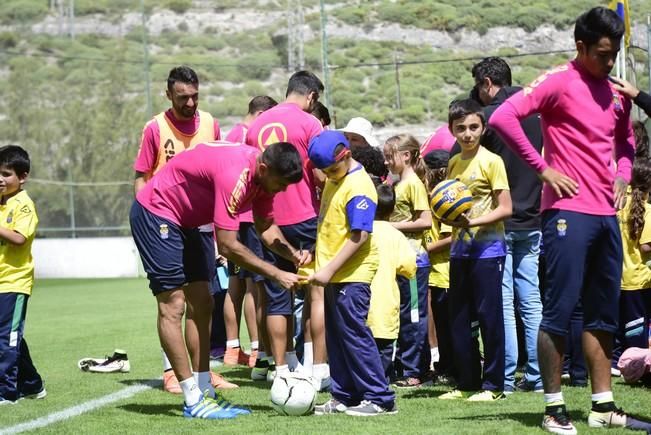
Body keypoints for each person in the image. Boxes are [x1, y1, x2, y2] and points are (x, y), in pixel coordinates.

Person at [490, 6, 651, 432]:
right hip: (566, 213)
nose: (609, 61)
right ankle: (553, 407)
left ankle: (602, 407)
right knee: (558, 313)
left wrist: (621, 175)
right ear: (581, 46)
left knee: (603, 316)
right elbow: (501, 117)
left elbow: (626, 143)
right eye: (602, 53)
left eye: (614, 52)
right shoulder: (559, 80)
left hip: (605, 215)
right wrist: (542, 169)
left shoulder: (617, 92)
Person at [130, 140, 306, 419]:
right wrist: (275, 273)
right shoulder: (236, 175)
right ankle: (191, 398)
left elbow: (265, 227)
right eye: (281, 184)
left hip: (188, 222)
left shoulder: (262, 181)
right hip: (157, 212)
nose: (282, 190)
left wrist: (294, 255)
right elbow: (226, 246)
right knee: (173, 305)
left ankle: (205, 390)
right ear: (264, 168)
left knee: (203, 302)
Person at [132, 66, 233, 393]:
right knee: (172, 300)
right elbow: (141, 178)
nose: (190, 103)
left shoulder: (210, 124)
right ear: (168, 95)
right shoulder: (155, 128)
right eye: (182, 97)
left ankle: (204, 373)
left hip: (200, 224)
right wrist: (149, 224)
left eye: (194, 96)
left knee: (204, 301)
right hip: (164, 220)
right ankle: (172, 372)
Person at [245, 71, 329, 389]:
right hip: (304, 215)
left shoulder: (256, 125)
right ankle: (316, 366)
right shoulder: (310, 124)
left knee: (277, 295)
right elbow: (320, 175)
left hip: (266, 220)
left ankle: (281, 367)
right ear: (311, 97)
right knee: (315, 292)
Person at [469, 56, 545, 394]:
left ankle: (506, 375)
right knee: (532, 300)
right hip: (535, 216)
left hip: (499, 221)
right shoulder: (537, 113)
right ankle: (540, 375)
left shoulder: (489, 119)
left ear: (487, 83)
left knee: (504, 303)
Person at [307, 130, 396, 416]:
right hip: (333, 273)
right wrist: (314, 255)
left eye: (332, 169)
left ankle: (380, 399)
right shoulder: (337, 179)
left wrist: (329, 268)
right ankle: (344, 395)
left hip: (353, 274)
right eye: (324, 171)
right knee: (337, 337)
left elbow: (359, 236)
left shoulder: (358, 185)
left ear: (346, 155)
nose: (329, 175)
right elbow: (331, 226)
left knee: (355, 335)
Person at [438, 99, 511, 403]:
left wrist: (475, 221)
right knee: (459, 317)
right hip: (459, 250)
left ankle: (494, 386)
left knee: (489, 316)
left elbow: (507, 208)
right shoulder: (454, 162)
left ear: (482, 127)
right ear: (452, 130)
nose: (467, 134)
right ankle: (467, 382)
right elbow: (446, 203)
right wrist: (445, 216)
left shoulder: (492, 161)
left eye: (473, 127)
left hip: (489, 250)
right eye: (461, 129)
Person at [222, 95, 277, 369]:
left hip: (234, 218)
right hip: (246, 219)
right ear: (261, 114)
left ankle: (234, 347)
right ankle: (258, 348)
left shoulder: (233, 132)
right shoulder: (247, 135)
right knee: (256, 285)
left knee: (238, 284)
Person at [383, 134, 433, 387]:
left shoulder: (413, 184)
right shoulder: (398, 183)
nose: (387, 161)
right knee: (403, 314)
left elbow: (425, 220)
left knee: (413, 315)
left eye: (390, 156)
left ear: (406, 155)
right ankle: (409, 365)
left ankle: (414, 371)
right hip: (400, 260)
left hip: (414, 261)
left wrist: (391, 226)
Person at [0, 146, 45, 404]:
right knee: (8, 336)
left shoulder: (24, 205)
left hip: (14, 282)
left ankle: (6, 391)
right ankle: (32, 384)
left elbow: (18, 238)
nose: (0, 179)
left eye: (6, 174)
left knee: (7, 338)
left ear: (22, 177)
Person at [367, 181, 417, 381]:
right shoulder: (395, 235)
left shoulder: (362, 232)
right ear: (393, 210)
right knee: (384, 351)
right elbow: (409, 267)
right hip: (386, 306)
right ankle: (381, 384)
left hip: (362, 305)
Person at [614, 157, 651, 369]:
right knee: (636, 328)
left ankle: (615, 361)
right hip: (639, 278)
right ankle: (636, 368)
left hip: (616, 276)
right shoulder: (647, 209)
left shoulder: (619, 203)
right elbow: (645, 246)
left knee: (620, 325)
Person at [422, 149, 455, 383]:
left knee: (448, 325)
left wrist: (425, 250)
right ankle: (445, 366)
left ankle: (451, 368)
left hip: (444, 272)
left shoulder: (443, 197)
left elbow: (449, 237)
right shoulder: (433, 195)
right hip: (437, 272)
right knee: (443, 325)